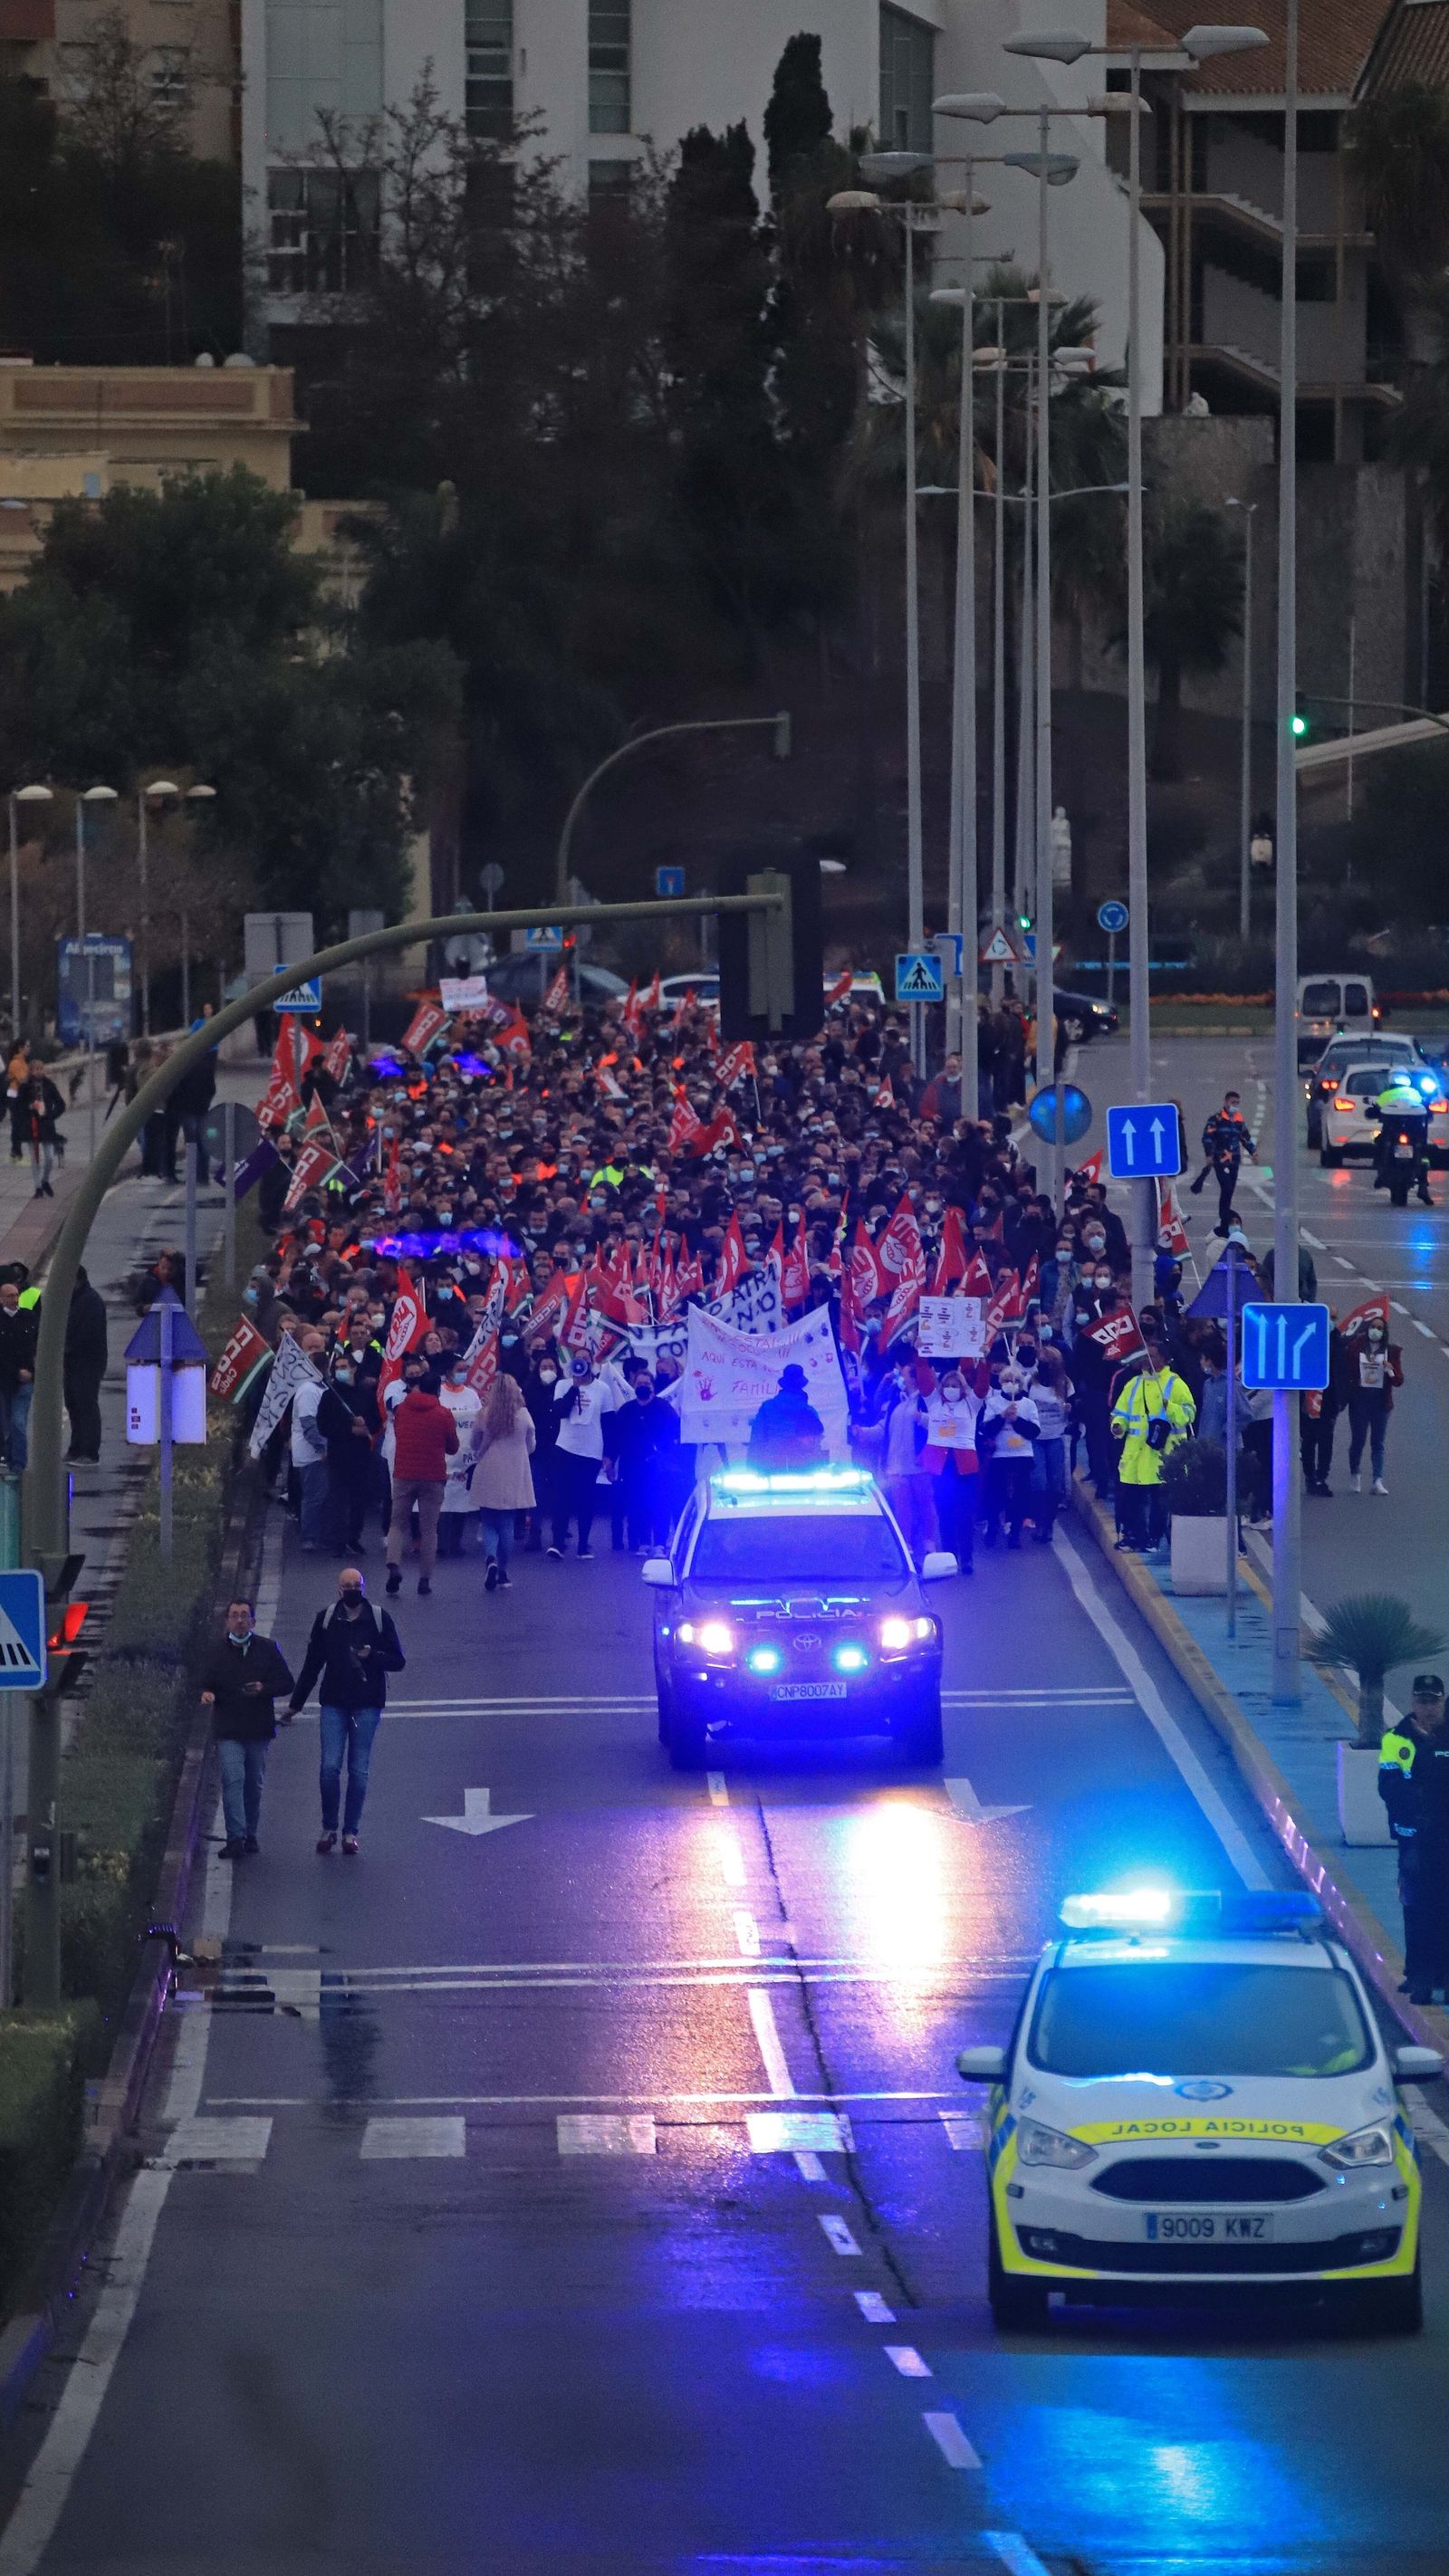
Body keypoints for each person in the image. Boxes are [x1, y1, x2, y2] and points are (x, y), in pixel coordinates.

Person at [287, 1566, 407, 1856]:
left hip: (367, 1703)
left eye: (357, 1584)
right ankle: (329, 1827)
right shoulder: (327, 1620)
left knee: (358, 1770)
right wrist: (296, 1703)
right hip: (334, 1702)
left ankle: (350, 1831)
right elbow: (312, 1664)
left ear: (363, 1587)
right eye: (347, 1585)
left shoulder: (379, 1619)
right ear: (338, 1589)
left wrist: (373, 1656)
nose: (352, 1589)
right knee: (329, 1768)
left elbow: (398, 1660)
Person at [198, 1598, 296, 1860]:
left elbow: (287, 1682)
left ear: (252, 1620)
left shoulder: (267, 1649)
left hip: (257, 1728)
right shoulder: (216, 1652)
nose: (240, 1620)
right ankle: (235, 1837)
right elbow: (204, 1682)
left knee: (253, 1784)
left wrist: (264, 1689)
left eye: (244, 1615)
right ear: (228, 1621)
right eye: (235, 1615)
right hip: (229, 1728)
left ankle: (250, 1833)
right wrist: (207, 1693)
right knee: (233, 1780)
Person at [1379, 1676, 1449, 2005]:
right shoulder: (1395, 1740)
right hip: (1414, 1841)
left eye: (1434, 1701)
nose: (1429, 1708)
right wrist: (1419, 1810)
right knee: (1416, 1907)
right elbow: (1389, 1787)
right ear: (1412, 1703)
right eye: (1422, 1701)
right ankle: (1418, 1974)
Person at [1110, 1335, 1196, 1552]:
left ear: (1164, 1359)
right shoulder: (1134, 1384)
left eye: (1152, 1355)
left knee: (1160, 1501)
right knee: (1132, 1500)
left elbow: (1189, 1414)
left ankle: (1154, 1538)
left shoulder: (1175, 1384)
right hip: (1136, 1454)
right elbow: (1120, 1412)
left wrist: (1171, 1408)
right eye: (1145, 1355)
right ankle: (1132, 1536)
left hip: (1163, 1454)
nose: (1146, 1359)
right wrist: (1118, 1426)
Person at [385, 1366, 459, 1595]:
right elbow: (453, 1446)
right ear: (437, 1389)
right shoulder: (443, 1414)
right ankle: (424, 1579)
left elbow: (398, 1432)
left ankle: (394, 1565)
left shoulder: (402, 1410)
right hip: (432, 1476)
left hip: (404, 1473)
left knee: (397, 1523)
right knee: (429, 1529)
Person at [550, 1353, 619, 1559]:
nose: (581, 1364)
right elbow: (559, 1412)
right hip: (565, 1447)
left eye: (585, 1360)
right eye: (577, 1360)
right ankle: (558, 1543)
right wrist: (575, 1387)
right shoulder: (563, 1385)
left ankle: (583, 1545)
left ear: (591, 1363)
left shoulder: (602, 1389)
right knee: (561, 1497)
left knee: (585, 1498)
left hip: (590, 1451)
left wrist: (609, 1455)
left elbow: (608, 1422)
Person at [474, 1370, 536, 1589]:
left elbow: (475, 1442)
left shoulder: (484, 1414)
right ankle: (503, 1571)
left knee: (488, 1520)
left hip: (489, 1467)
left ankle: (490, 1557)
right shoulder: (523, 1415)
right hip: (514, 1470)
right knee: (507, 1522)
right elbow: (531, 1445)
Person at [609, 1367, 681, 1552]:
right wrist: (609, 1459)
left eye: (646, 1384)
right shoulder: (626, 1410)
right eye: (639, 1384)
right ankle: (638, 1542)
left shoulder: (664, 1408)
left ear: (652, 1386)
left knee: (659, 1503)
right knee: (635, 1503)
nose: (643, 1386)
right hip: (631, 1466)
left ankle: (659, 1542)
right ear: (634, 1386)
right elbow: (615, 1437)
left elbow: (676, 1433)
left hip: (657, 1466)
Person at [920, 1369, 981, 1572]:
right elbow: (923, 1378)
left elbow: (982, 1386)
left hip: (964, 1466)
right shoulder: (935, 1403)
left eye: (955, 1386)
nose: (951, 1389)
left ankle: (968, 1558)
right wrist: (920, 1353)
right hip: (941, 1467)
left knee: (965, 1513)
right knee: (945, 1512)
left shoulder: (971, 1404)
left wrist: (983, 1361)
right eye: (948, 1385)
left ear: (962, 1388)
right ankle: (950, 1557)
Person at [979, 1365, 1041, 1549]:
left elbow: (1034, 1431)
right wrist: (1002, 1417)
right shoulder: (993, 1402)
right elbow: (986, 1429)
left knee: (1021, 1495)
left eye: (1014, 1381)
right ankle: (992, 1528)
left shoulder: (1029, 1405)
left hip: (1022, 1455)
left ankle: (1015, 1532)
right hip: (1000, 1455)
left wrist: (1017, 1421)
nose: (1010, 1384)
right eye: (1006, 1381)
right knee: (995, 1494)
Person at [1346, 1310, 1403, 1494]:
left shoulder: (1391, 1351)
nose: (1376, 1331)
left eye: (1380, 1328)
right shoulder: (1357, 1346)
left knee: (1378, 1443)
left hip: (1380, 1404)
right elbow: (1346, 1366)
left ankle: (1377, 1480)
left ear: (1384, 1331)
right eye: (1373, 1327)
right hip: (1360, 1402)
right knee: (1358, 1441)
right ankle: (1355, 1473)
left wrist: (1391, 1370)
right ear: (1368, 1328)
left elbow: (1399, 1381)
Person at [1189, 1090, 1256, 1234]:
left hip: (1234, 1161)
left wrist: (1253, 1152)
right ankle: (1223, 1217)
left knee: (1230, 1189)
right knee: (1226, 1187)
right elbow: (1207, 1137)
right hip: (1220, 1161)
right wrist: (1209, 1154)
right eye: (1233, 1103)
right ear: (1226, 1102)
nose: (1235, 1106)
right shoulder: (1216, 1119)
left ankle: (1225, 1215)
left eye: (1237, 1103)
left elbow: (1245, 1138)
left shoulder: (1238, 1120)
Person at [437, 1355, 483, 1557]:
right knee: (442, 1500)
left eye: (465, 1369)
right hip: (443, 1454)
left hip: (464, 1456)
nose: (462, 1373)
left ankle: (456, 1542)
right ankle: (441, 1543)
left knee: (461, 1500)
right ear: (448, 1372)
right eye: (459, 1369)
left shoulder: (471, 1395)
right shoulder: (439, 1394)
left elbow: (478, 1421)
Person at [290, 1329, 331, 1550]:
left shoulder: (321, 1388)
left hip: (318, 1452)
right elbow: (309, 1425)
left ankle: (319, 1534)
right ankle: (309, 1536)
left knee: (321, 1494)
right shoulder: (308, 1390)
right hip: (312, 1453)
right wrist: (322, 1447)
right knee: (314, 1496)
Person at [62, 1264, 108, 1464]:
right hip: (73, 1362)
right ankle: (76, 1447)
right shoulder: (73, 1301)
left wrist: (67, 1349)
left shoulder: (90, 1302)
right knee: (73, 1404)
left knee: (85, 1404)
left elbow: (87, 1335)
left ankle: (89, 1451)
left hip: (88, 1362)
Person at [747, 1363, 826, 1470]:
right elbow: (816, 1445)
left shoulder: (767, 1408)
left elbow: (757, 1439)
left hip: (770, 1466)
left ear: (783, 1385)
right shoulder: (810, 1412)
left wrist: (752, 1467)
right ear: (802, 1386)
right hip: (805, 1467)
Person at [0, 1276, 38, 1474]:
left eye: (16, 1295)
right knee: (7, 1424)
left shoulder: (28, 1318)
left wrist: (30, 1370)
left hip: (25, 1381)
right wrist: (16, 1371)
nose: (15, 1299)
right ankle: (9, 1456)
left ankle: (18, 1464)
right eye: (10, 1296)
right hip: (5, 1381)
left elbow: (36, 1344)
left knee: (18, 1422)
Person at [19, 1068, 64, 1199]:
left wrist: (51, 1115)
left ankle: (45, 1180)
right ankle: (38, 1187)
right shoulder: (25, 1087)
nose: (38, 1072)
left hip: (46, 1125)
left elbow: (61, 1104)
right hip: (31, 1125)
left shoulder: (49, 1085)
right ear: (31, 1072)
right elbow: (18, 1105)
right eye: (35, 1069)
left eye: (40, 1068)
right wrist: (30, 1107)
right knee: (35, 1159)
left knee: (49, 1157)